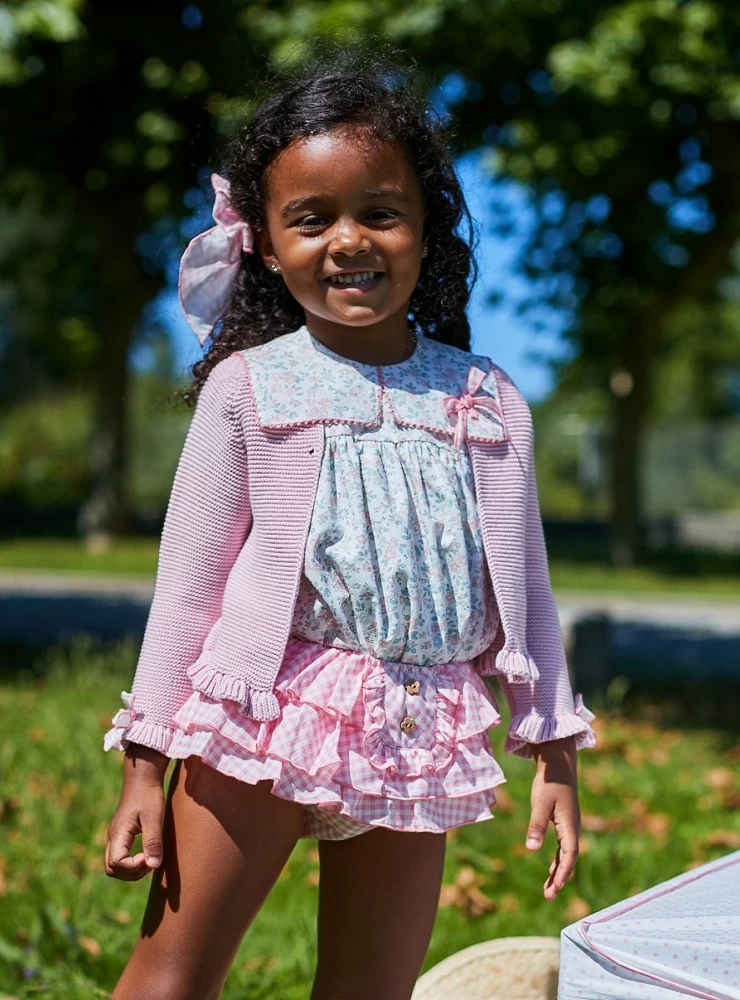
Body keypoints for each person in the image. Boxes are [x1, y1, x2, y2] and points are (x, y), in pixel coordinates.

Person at [102, 42, 597, 1000]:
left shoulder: (487, 400)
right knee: (169, 981)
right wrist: (144, 765)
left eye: (380, 212)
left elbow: (526, 590)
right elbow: (187, 587)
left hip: (421, 730)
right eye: (310, 219)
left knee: (372, 991)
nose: (348, 240)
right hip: (262, 717)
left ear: (425, 226)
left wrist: (553, 752)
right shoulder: (249, 390)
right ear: (266, 241)